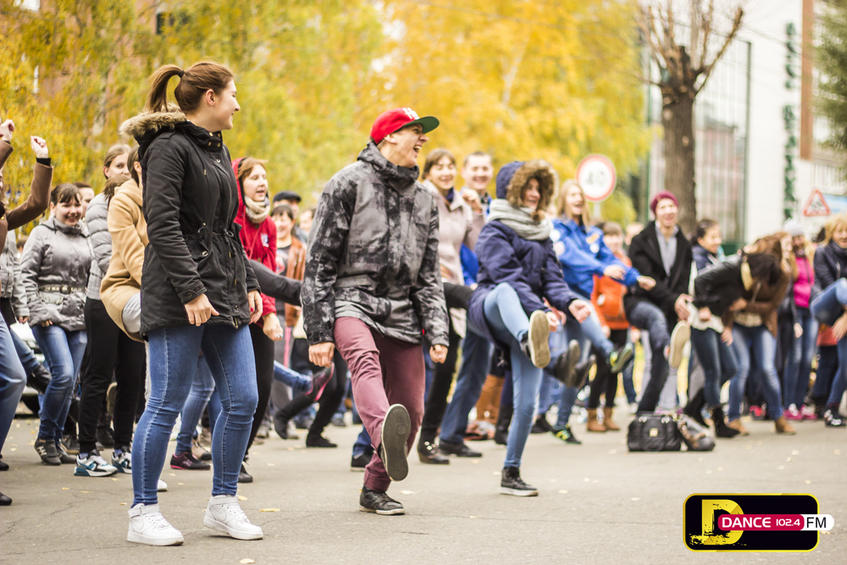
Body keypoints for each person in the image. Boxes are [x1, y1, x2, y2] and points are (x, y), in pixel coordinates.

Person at [124, 61, 264, 545]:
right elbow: (162, 226)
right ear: (210, 98)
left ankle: (223, 504)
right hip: (177, 294)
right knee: (166, 402)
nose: (237, 104)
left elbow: (228, 228)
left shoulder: (218, 147)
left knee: (243, 399)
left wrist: (249, 283)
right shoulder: (167, 146)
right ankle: (142, 511)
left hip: (224, 292)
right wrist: (192, 291)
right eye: (233, 94)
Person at [303, 107, 449, 515]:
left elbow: (430, 275)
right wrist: (318, 332)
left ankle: (374, 486)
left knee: (413, 410)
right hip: (351, 299)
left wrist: (438, 331)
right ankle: (384, 431)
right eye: (416, 131)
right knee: (364, 362)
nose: (423, 139)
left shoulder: (426, 199)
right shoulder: (347, 183)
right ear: (389, 137)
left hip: (402, 309)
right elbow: (319, 261)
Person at [468, 160, 590, 496]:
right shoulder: (494, 230)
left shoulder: (542, 233)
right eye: (528, 188)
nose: (534, 194)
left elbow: (553, 280)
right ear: (512, 191)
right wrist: (541, 311)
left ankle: (511, 471)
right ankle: (537, 347)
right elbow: (507, 277)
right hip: (492, 307)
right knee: (507, 290)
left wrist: (569, 302)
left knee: (526, 404)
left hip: (531, 316)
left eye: (538, 188)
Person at [547, 180, 644, 437]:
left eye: (580, 194)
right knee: (586, 318)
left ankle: (561, 424)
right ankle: (610, 352)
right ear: (564, 200)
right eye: (572, 194)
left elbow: (609, 259)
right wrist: (601, 269)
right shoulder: (557, 229)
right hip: (561, 294)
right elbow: (570, 256)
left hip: (580, 298)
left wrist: (635, 277)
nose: (578, 198)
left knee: (578, 366)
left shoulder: (591, 234)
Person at [75, 142, 146, 478]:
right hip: (104, 301)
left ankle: (122, 448)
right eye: (118, 165)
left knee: (132, 377)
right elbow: (107, 256)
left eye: (128, 166)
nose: (124, 171)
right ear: (107, 170)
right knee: (98, 376)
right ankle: (86, 451)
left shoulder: (142, 201)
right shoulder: (99, 206)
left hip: (138, 301)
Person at [416, 148, 484, 463]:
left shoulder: (460, 206)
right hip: (423, 286)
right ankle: (367, 445)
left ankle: (428, 441)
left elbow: (479, 246)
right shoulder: (419, 197)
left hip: (450, 292)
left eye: (450, 166)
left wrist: (478, 212)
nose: (446, 172)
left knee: (445, 371)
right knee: (477, 300)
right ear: (428, 171)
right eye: (439, 166)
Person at [0, 119, 52, 505]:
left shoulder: (3, 218)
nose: (3, 185)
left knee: (15, 376)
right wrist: (4, 142)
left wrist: (43, 160)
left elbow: (35, 204)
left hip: (2, 306)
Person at [21, 183, 90, 466]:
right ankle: (45, 436)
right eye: (66, 205)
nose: (73, 211)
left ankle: (57, 439)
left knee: (71, 382)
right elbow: (26, 275)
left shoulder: (87, 235)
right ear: (53, 207)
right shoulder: (41, 234)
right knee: (62, 373)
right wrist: (37, 310)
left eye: (77, 205)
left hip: (80, 316)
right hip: (48, 314)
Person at [689, 251, 784, 437]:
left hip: (717, 321)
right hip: (703, 321)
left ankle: (693, 407)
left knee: (731, 368)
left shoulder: (746, 279)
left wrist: (727, 323)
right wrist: (703, 306)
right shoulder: (732, 267)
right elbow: (700, 280)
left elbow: (725, 296)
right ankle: (718, 422)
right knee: (713, 371)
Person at [231, 157, 284, 479]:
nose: (262, 182)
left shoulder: (269, 226)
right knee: (237, 391)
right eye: (253, 177)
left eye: (264, 177)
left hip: (260, 312)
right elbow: (239, 267)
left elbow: (271, 274)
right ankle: (225, 454)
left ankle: (242, 451)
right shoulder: (230, 217)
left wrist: (270, 312)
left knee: (263, 387)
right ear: (239, 183)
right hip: (231, 312)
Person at [625, 191, 692, 414]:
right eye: (663, 207)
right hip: (648, 305)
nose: (668, 211)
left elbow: (683, 279)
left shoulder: (683, 243)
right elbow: (649, 281)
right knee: (653, 357)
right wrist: (674, 300)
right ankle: (646, 410)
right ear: (655, 212)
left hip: (673, 308)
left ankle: (668, 407)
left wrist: (681, 302)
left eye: (671, 206)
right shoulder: (641, 241)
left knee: (672, 360)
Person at [726, 233, 795, 435]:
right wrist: (727, 325)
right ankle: (733, 418)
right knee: (741, 369)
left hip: (763, 324)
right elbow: (728, 295)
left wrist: (746, 305)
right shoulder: (743, 266)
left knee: (767, 368)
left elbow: (773, 305)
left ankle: (778, 417)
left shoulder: (783, 273)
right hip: (738, 324)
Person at [811, 214, 847, 427]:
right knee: (842, 284)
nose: (844, 235)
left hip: (843, 316)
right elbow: (827, 282)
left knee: (845, 364)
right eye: (840, 231)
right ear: (832, 233)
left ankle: (831, 409)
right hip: (825, 304)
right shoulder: (822, 252)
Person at [781, 220, 817, 420]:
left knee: (807, 359)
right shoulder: (787, 259)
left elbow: (815, 284)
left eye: (800, 237)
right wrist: (794, 320)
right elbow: (787, 293)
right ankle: (789, 405)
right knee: (794, 358)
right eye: (793, 238)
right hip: (795, 313)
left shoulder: (810, 256)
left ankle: (800, 403)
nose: (797, 242)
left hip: (811, 312)